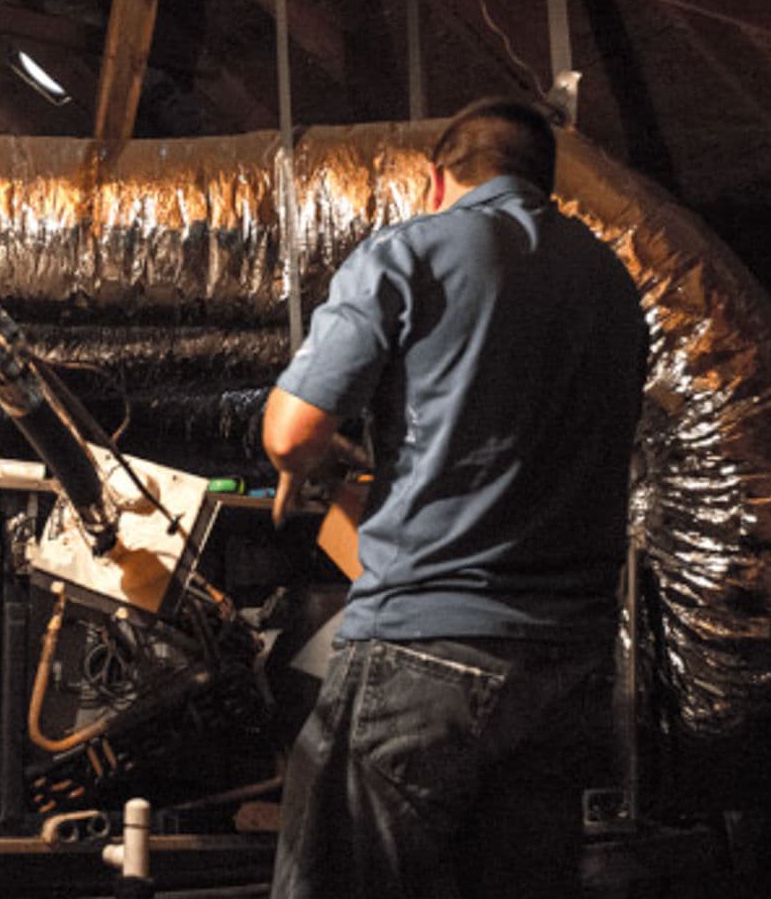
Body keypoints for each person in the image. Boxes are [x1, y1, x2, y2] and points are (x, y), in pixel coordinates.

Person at [262, 98, 648, 898]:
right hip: (565, 668)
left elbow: (292, 436)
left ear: (437, 179)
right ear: (544, 182)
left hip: (423, 651)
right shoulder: (614, 285)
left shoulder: (411, 251)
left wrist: (319, 467)